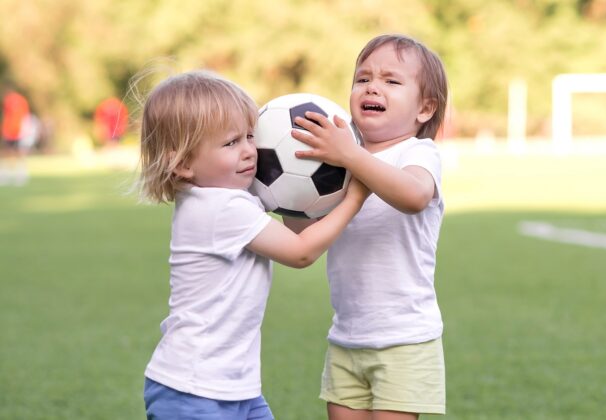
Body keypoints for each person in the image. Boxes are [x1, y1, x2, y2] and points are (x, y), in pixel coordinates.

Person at [137, 70, 368, 420]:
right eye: (231, 143)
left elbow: (295, 226)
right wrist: (355, 197)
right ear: (182, 162)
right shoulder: (220, 208)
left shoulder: (226, 196)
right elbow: (300, 251)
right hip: (194, 390)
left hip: (234, 387)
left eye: (249, 136)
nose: (249, 151)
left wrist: (305, 192)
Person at [291, 34, 449, 419]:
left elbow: (413, 196)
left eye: (391, 81)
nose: (372, 87)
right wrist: (282, 188)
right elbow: (299, 231)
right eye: (362, 79)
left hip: (404, 340)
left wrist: (350, 154)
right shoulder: (336, 164)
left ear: (425, 108)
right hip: (347, 337)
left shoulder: (417, 153)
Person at [1, 89, 30, 186]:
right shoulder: (8, 100)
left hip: (17, 131)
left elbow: (25, 116)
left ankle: (20, 174)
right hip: (11, 130)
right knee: (9, 153)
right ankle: (7, 174)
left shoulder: (20, 100)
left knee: (17, 153)